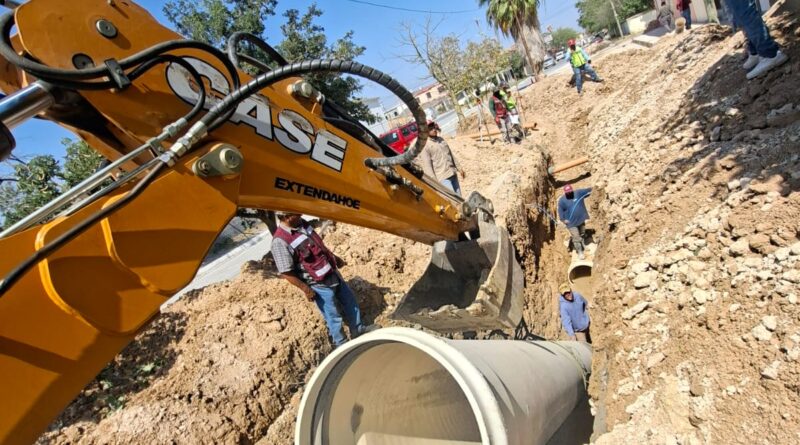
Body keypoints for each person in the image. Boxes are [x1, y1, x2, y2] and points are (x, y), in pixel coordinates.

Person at [271, 212, 369, 347]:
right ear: (286, 217)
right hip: (318, 284)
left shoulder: (302, 224)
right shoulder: (280, 241)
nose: (300, 215)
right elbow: (286, 272)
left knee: (350, 301)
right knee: (332, 316)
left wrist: (334, 258)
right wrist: (306, 289)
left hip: (332, 273)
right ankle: (342, 344)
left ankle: (358, 331)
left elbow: (319, 246)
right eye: (296, 214)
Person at [727, 0, 789, 79]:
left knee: (743, 10)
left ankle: (769, 54)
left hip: (769, 53)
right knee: (736, 12)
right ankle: (755, 51)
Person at [417, 120, 466, 196]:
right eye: (430, 129)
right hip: (443, 178)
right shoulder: (425, 146)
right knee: (454, 201)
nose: (434, 130)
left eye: (434, 127)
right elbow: (428, 167)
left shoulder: (441, 140)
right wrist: (435, 184)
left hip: (452, 173)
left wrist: (459, 168)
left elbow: (451, 155)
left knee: (460, 198)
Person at [558, 184, 592, 260]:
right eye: (567, 192)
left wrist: (593, 188)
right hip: (571, 223)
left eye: (570, 191)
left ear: (572, 190)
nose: (569, 193)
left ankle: (583, 245)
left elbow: (588, 190)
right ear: (565, 192)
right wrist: (563, 220)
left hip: (581, 219)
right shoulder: (562, 201)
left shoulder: (578, 193)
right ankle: (580, 252)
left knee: (582, 233)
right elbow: (560, 212)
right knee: (576, 237)